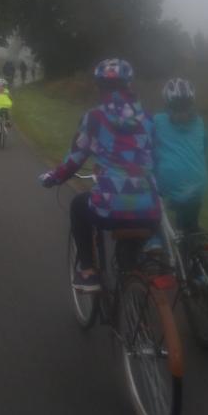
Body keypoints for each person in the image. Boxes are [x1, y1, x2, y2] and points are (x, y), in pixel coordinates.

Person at [39, 58, 161, 292]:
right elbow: (156, 158)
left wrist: (54, 177)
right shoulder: (148, 118)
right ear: (129, 84)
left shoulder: (95, 117)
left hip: (110, 208)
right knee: (134, 245)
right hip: (149, 210)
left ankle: (88, 272)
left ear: (99, 86)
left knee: (78, 206)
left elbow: (75, 158)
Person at [153, 78, 208, 235]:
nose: (181, 112)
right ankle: (191, 235)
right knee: (189, 227)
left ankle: (155, 238)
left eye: (183, 107)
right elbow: (204, 148)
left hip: (167, 182)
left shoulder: (157, 121)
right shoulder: (200, 123)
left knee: (150, 200)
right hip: (198, 182)